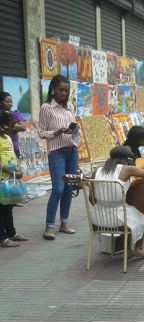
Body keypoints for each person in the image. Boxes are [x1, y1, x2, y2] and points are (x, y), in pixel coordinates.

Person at [93, 146, 144, 258]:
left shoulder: (96, 171)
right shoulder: (127, 169)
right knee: (142, 214)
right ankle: (137, 249)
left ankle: (127, 248)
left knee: (129, 213)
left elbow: (91, 199)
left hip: (98, 218)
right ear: (128, 160)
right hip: (118, 220)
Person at [38, 74, 79, 240]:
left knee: (69, 188)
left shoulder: (69, 106)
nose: (64, 93)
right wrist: (56, 132)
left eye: (67, 90)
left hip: (72, 151)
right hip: (56, 153)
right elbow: (41, 132)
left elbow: (76, 132)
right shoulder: (46, 108)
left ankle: (64, 222)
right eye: (61, 90)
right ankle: (49, 226)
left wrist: (73, 131)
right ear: (53, 90)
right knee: (58, 189)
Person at [0, 111, 28, 247]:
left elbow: (12, 154)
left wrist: (17, 168)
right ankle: (2, 238)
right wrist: (12, 173)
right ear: (2, 126)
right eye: (10, 126)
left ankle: (11, 233)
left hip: (10, 176)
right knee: (1, 208)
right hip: (2, 178)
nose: (13, 129)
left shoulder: (7, 137)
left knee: (8, 206)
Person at [0, 92, 27, 159]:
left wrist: (10, 125)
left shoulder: (15, 113)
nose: (10, 104)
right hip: (3, 148)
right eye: (7, 101)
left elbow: (23, 127)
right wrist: (15, 126)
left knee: (15, 166)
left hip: (14, 147)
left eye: (11, 102)